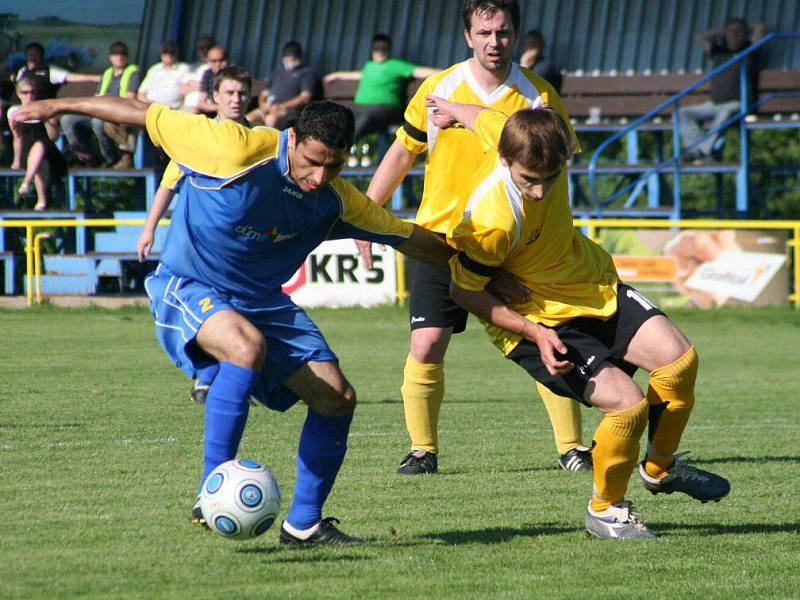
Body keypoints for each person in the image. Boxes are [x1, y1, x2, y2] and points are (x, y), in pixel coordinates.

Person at [14, 93, 454, 546]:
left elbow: (408, 238)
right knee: (245, 347)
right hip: (190, 283)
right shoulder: (232, 149)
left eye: (334, 166)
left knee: (337, 397)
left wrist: (486, 268)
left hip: (263, 301)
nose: (319, 177)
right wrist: (56, 108)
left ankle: (304, 524)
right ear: (292, 138)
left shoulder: (336, 200)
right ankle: (210, 491)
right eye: (312, 161)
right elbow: (141, 112)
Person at [426, 94, 730, 538]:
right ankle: (606, 509)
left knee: (679, 361)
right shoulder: (491, 219)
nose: (540, 191)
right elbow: (463, 291)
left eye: (550, 178)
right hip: (537, 315)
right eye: (529, 180)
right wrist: (535, 333)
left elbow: (487, 118)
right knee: (628, 407)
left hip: (591, 285)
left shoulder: (524, 136)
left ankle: (660, 468)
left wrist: (455, 108)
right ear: (505, 158)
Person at [359, 0, 592, 476]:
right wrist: (368, 214)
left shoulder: (538, 94)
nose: (494, 42)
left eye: (502, 32)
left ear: (516, 34)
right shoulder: (437, 88)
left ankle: (572, 447)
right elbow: (401, 154)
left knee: (550, 339)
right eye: (484, 32)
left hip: (513, 243)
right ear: (468, 36)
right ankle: (423, 450)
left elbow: (562, 161)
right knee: (426, 344)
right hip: (439, 238)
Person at [138, 65, 252, 277]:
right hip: (200, 246)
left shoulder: (261, 139)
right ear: (216, 96)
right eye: (229, 93)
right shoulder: (197, 136)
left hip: (240, 246)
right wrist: (149, 228)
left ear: (249, 96)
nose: (236, 99)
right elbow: (168, 184)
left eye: (242, 93)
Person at [679, 18, 766, 162]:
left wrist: (744, 27)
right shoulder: (719, 51)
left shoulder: (750, 50)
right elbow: (698, 37)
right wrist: (723, 31)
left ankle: (701, 152)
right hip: (716, 103)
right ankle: (697, 150)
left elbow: (761, 27)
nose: (734, 34)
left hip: (738, 104)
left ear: (745, 34)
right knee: (682, 113)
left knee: (724, 114)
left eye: (738, 31)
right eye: (731, 31)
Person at [323, 34, 439, 140]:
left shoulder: (396, 65)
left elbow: (418, 71)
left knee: (366, 116)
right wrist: (337, 74)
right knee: (342, 114)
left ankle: (346, 146)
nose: (379, 53)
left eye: (382, 50)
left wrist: (447, 72)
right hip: (361, 106)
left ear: (388, 51)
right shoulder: (369, 66)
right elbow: (358, 75)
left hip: (386, 109)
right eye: (377, 50)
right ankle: (332, 144)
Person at [60, 42, 141, 168]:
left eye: (122, 54)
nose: (119, 57)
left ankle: (110, 159)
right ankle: (84, 155)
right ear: (110, 57)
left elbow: (130, 97)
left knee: (98, 123)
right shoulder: (107, 73)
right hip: (100, 110)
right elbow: (97, 97)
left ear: (127, 56)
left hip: (118, 113)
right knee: (68, 120)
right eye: (116, 54)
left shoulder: (133, 72)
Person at [14, 42, 101, 140]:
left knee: (52, 122)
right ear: (26, 56)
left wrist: (98, 78)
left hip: (45, 110)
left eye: (36, 55)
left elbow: (72, 77)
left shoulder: (50, 71)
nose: (32, 58)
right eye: (30, 55)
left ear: (41, 56)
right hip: (23, 108)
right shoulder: (22, 72)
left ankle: (49, 146)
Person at [8, 76, 66, 210]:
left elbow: (53, 137)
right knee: (40, 159)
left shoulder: (45, 109)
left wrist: (46, 119)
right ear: (18, 94)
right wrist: (16, 161)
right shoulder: (15, 112)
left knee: (41, 146)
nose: (29, 96)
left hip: (49, 151)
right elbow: (18, 138)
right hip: (27, 153)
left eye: (32, 92)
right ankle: (41, 199)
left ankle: (27, 183)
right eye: (25, 92)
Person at [246, 41, 318, 129]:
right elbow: (264, 94)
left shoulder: (306, 73)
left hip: (288, 110)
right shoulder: (277, 73)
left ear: (299, 58)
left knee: (271, 119)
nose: (289, 61)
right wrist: (262, 105)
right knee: (248, 119)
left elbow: (305, 97)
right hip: (268, 107)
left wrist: (282, 106)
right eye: (287, 59)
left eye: (293, 59)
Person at [137, 42, 191, 110]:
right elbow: (141, 93)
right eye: (165, 52)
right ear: (161, 54)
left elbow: (188, 89)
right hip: (150, 107)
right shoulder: (154, 69)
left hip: (172, 110)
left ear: (177, 53)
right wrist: (149, 105)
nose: (169, 55)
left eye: (172, 52)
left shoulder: (184, 69)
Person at [180, 35, 216, 113]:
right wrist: (203, 85)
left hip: (205, 109)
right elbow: (182, 90)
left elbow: (214, 87)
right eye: (201, 48)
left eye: (208, 47)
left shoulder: (217, 67)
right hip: (186, 106)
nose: (204, 51)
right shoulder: (192, 67)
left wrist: (192, 84)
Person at [194, 46, 229, 115]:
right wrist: (217, 107)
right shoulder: (208, 74)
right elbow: (201, 103)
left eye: (221, 60)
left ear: (227, 60)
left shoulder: (234, 75)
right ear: (208, 62)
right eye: (214, 61)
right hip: (215, 109)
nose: (218, 64)